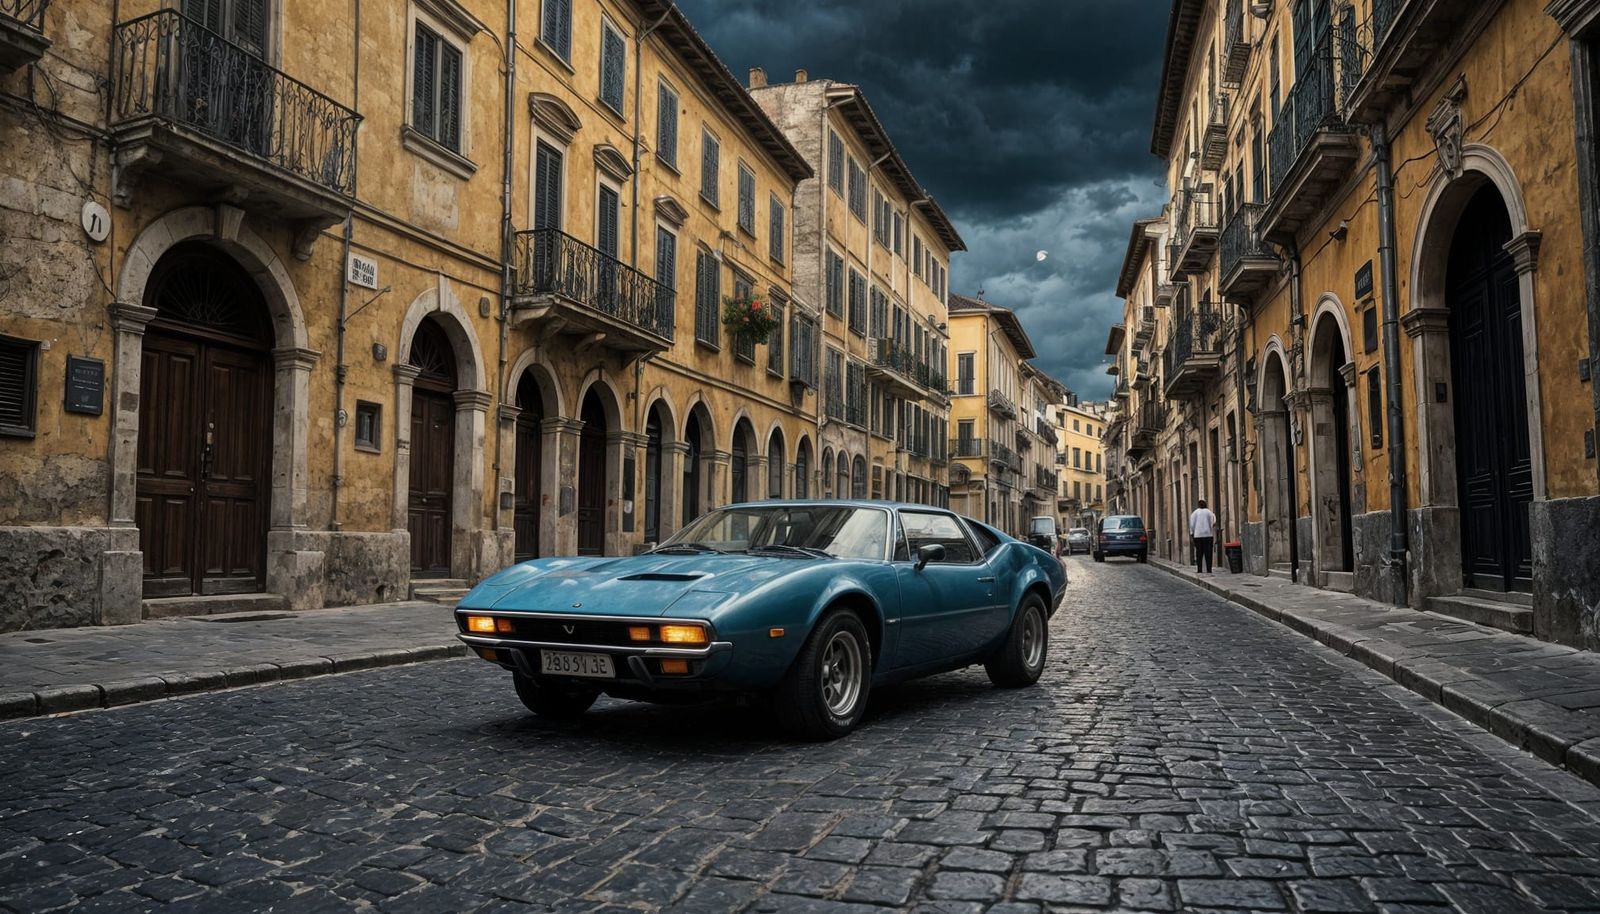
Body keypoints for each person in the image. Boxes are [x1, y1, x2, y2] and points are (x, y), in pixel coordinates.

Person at [1189, 498, 1217, 574]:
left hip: (1197, 535)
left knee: (1199, 553)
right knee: (1208, 553)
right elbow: (1214, 521)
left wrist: (1192, 533)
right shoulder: (1209, 512)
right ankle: (1209, 569)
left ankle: (1199, 569)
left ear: (1198, 505)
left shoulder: (1195, 513)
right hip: (1208, 535)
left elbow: (1192, 524)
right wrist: (1210, 526)